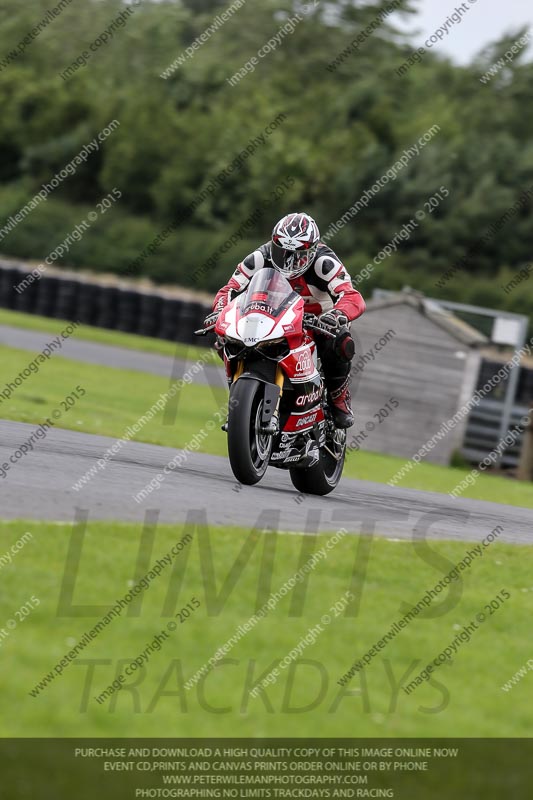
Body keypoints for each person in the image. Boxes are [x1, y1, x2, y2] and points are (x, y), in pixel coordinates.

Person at [207, 212, 365, 427]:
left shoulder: (325, 263)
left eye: (298, 254)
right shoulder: (259, 258)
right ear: (273, 244)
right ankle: (240, 400)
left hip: (318, 319)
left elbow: (351, 295)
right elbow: (231, 289)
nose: (289, 261)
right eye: (282, 252)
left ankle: (339, 399)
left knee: (340, 341)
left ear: (312, 250)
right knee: (225, 338)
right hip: (274, 315)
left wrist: (337, 315)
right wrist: (219, 311)